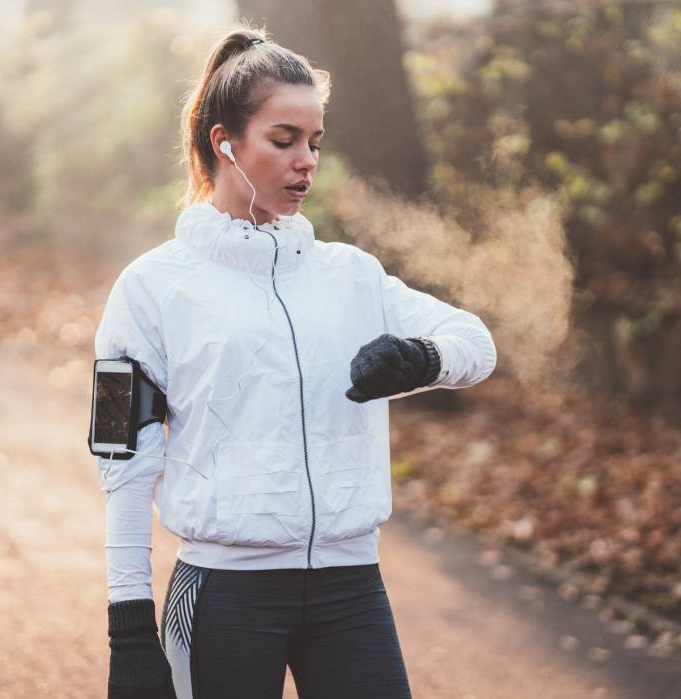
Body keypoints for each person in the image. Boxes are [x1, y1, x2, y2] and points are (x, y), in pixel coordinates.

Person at [95, 24, 497, 699]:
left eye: (314, 143)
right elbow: (124, 468)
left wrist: (419, 358)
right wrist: (128, 630)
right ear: (225, 141)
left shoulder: (350, 275)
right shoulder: (151, 288)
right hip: (224, 597)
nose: (306, 161)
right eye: (283, 141)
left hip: (351, 592)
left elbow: (476, 345)